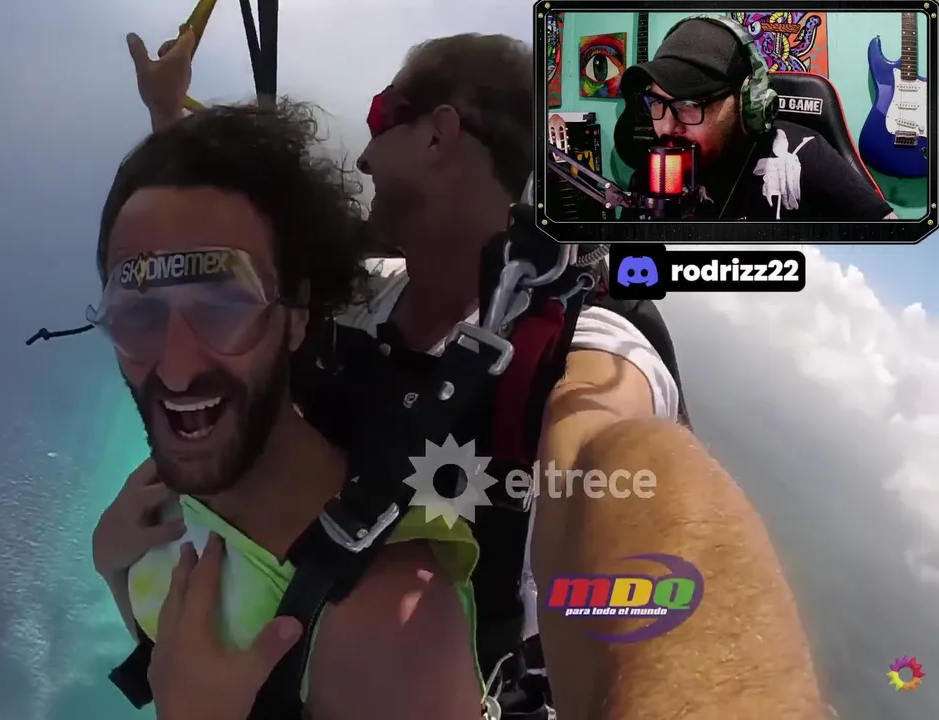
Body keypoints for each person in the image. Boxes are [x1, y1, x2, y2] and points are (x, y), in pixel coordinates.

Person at [96, 26, 824, 720]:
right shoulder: (366, 299)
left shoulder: (586, 349)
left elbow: (618, 457)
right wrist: (168, 118)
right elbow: (223, 265)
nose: (363, 159)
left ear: (438, 133)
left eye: (380, 120)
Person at [93, 101, 486, 719]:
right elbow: (169, 648)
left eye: (223, 307)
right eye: (138, 313)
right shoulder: (158, 496)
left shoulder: (392, 627)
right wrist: (111, 566)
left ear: (297, 317)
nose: (175, 369)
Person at [619, 15, 897, 220]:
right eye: (656, 102)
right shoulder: (654, 170)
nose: (667, 127)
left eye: (689, 104)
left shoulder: (802, 157)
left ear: (748, 101)